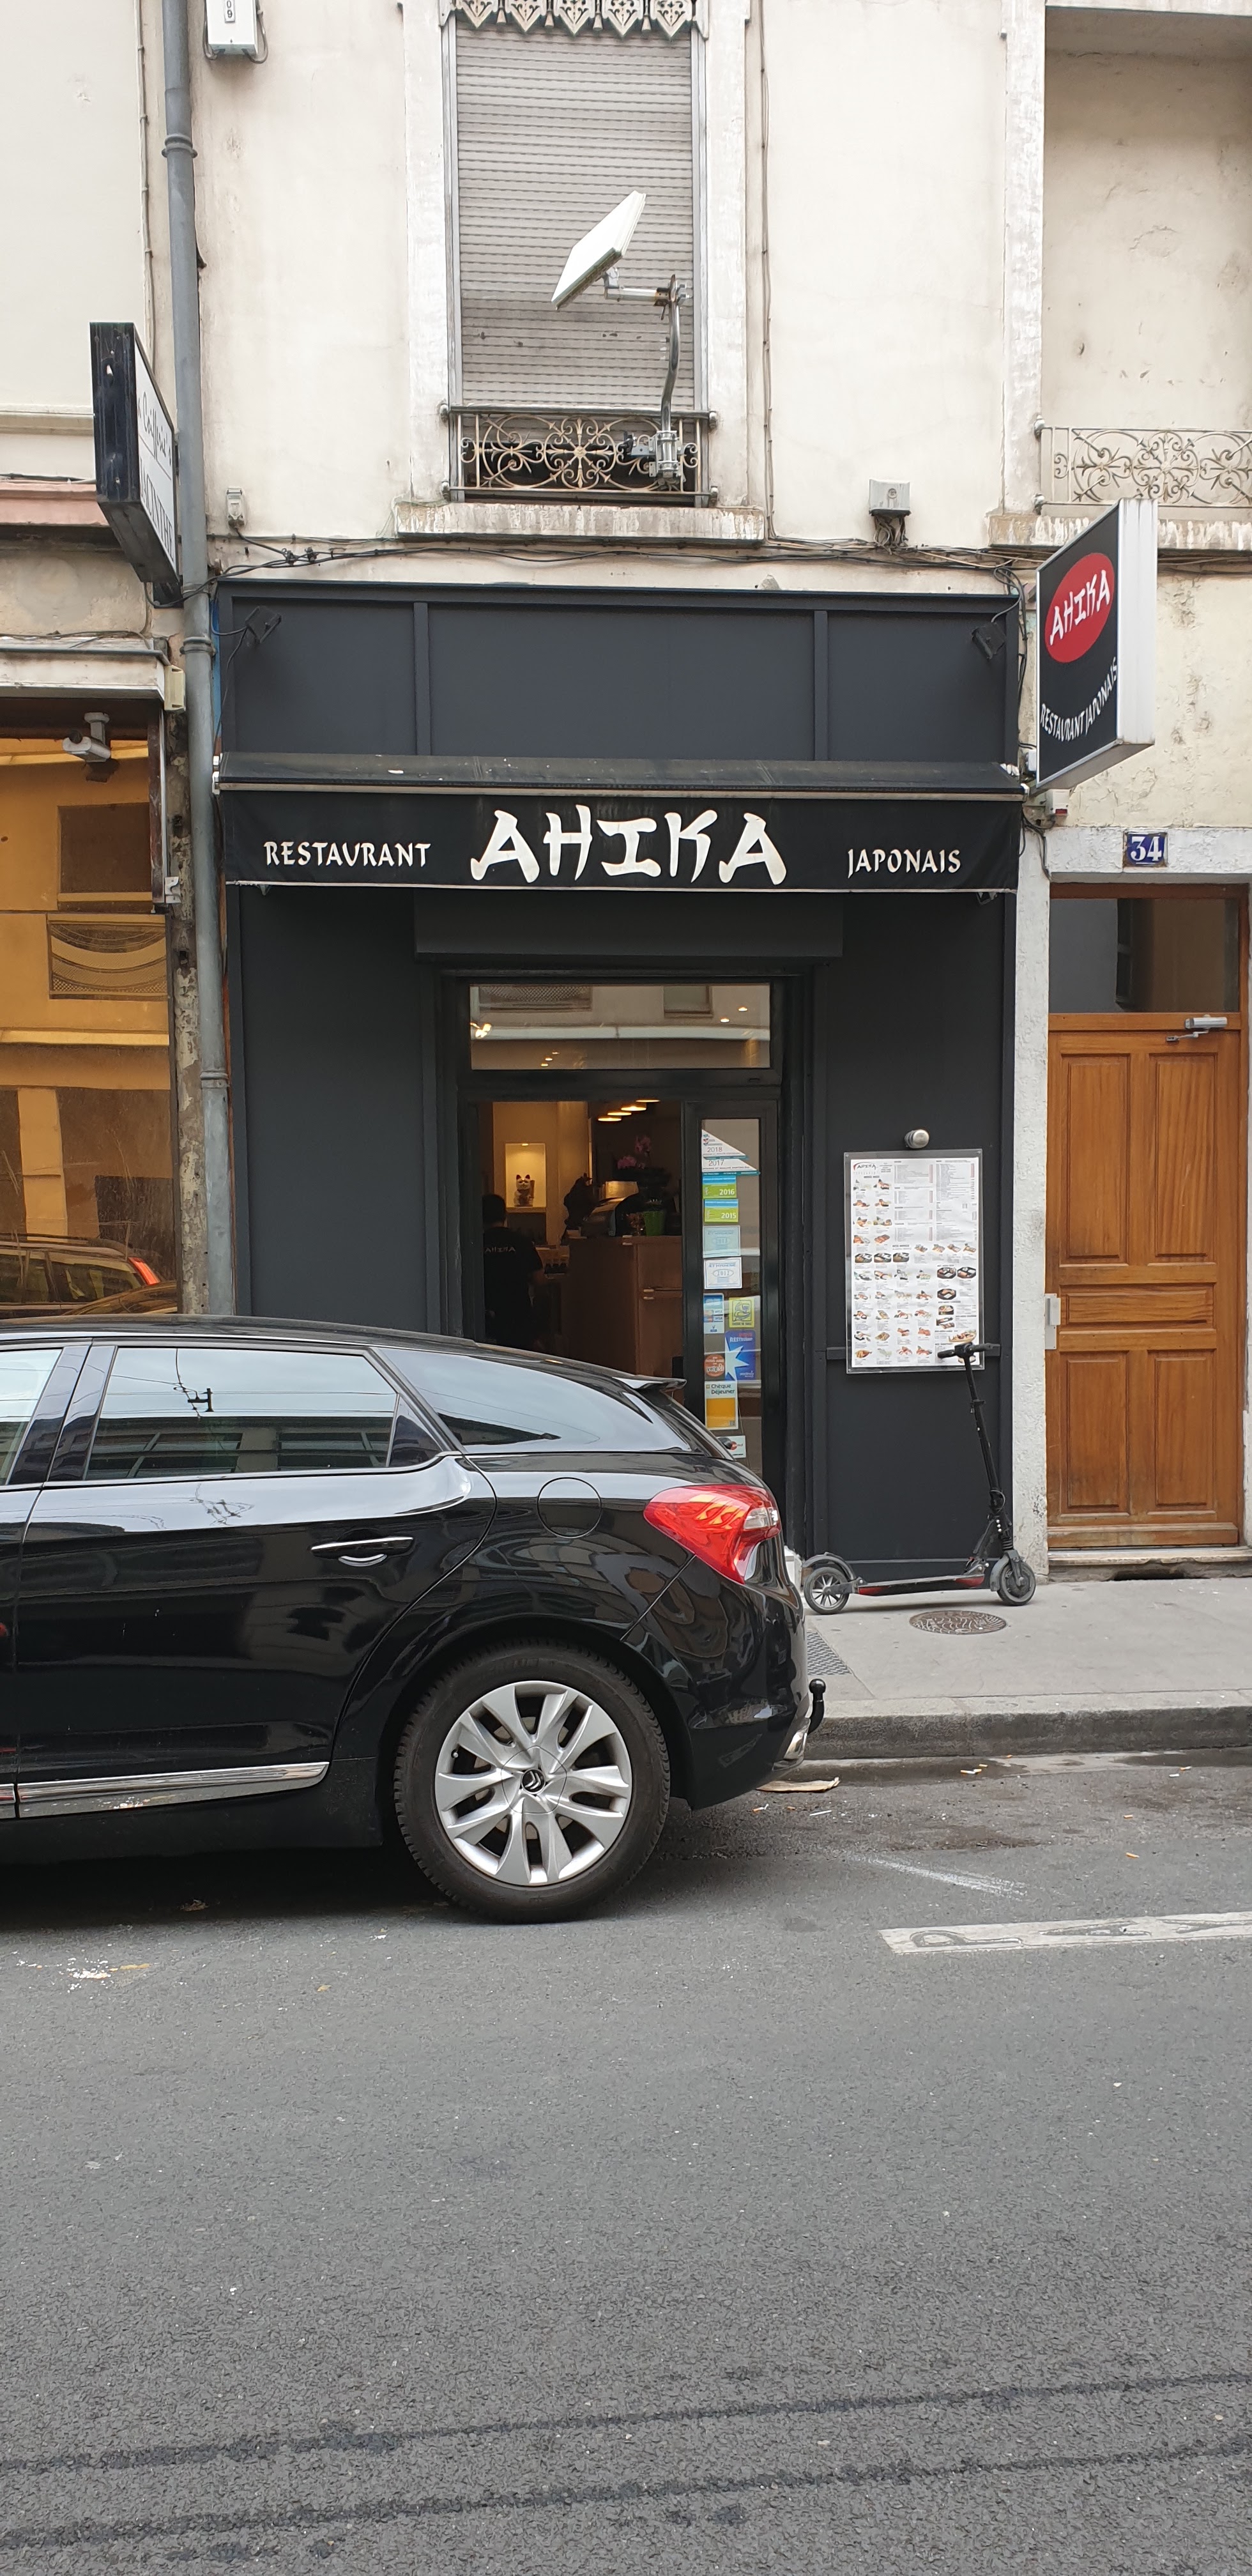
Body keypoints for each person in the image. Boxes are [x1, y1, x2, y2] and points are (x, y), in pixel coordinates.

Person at [480, 1192, 542, 1347]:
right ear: (505, 1215)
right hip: (519, 1315)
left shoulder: (477, 1244)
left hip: (487, 1316)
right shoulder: (521, 1241)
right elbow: (539, 1279)